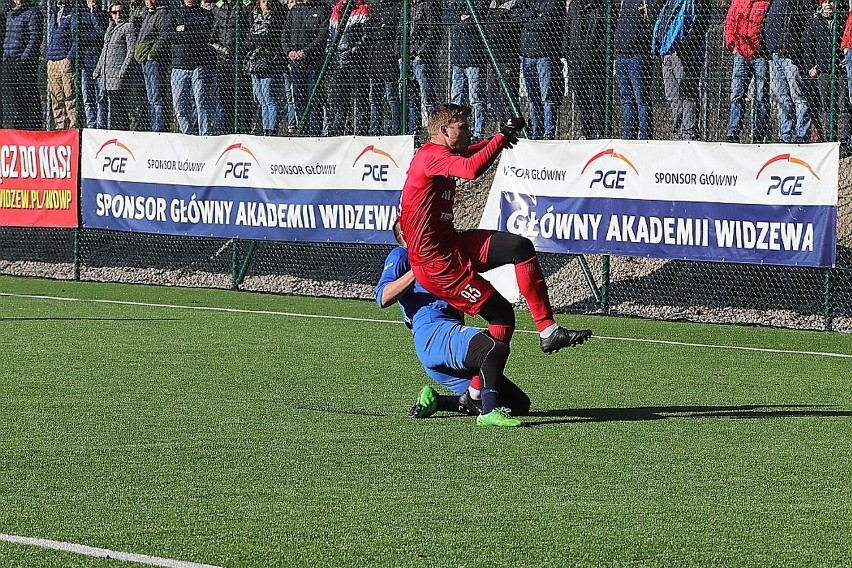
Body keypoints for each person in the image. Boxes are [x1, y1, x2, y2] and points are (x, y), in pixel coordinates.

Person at [397, 103, 592, 426]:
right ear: (444, 131)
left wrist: (499, 140)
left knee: (519, 247)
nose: (468, 130)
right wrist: (499, 138)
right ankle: (485, 408)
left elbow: (470, 153)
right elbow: (471, 169)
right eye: (461, 125)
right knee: (502, 318)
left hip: (452, 246)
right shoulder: (430, 156)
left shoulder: (435, 154)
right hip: (438, 265)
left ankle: (548, 329)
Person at [377, 223, 531, 426]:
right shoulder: (401, 255)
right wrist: (418, 268)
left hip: (446, 341)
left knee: (518, 404)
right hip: (432, 334)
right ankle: (489, 413)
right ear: (406, 233)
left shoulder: (440, 254)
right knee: (493, 347)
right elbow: (383, 297)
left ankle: (438, 401)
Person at [653, 0, 709, 140]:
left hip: (687, 54)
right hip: (667, 51)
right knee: (672, 96)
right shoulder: (669, 2)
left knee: (687, 94)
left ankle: (689, 132)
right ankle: (678, 131)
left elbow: (702, 21)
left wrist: (685, 47)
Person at [763, 0, 813, 143]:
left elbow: (807, 25)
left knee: (798, 96)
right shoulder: (772, 2)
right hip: (774, 55)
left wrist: (797, 49)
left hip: (791, 55)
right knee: (782, 97)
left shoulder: (798, 3)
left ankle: (801, 135)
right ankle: (785, 134)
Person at [166, 0, 217, 135]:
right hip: (178, 66)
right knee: (179, 105)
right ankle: (188, 134)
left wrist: (185, 29)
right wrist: (191, 32)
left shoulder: (206, 15)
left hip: (199, 66)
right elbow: (168, 36)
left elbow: (204, 36)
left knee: (201, 103)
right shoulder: (174, 13)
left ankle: (205, 135)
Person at [515, 0, 564, 139]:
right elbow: (515, 16)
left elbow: (546, 22)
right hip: (526, 54)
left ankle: (548, 133)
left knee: (547, 97)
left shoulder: (554, 3)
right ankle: (536, 132)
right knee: (533, 98)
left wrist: (527, 19)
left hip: (545, 54)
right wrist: (533, 15)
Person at [723, 0, 769, 143]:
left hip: (761, 54)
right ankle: (733, 132)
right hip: (741, 53)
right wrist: (732, 44)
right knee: (737, 94)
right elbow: (730, 21)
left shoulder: (766, 3)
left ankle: (759, 134)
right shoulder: (738, 2)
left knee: (761, 95)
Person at [804, 0, 850, 143]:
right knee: (826, 106)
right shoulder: (815, 22)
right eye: (825, 2)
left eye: (831, 2)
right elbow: (807, 45)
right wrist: (810, 66)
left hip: (841, 71)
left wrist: (846, 59)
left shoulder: (843, 20)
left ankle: (845, 138)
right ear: (821, 5)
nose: (828, 4)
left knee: (843, 105)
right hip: (823, 71)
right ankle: (829, 138)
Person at [283, 0, 329, 135]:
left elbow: (322, 36)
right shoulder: (295, 10)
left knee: (314, 100)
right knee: (298, 99)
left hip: (313, 64)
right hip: (296, 65)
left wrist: (305, 51)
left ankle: (315, 133)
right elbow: (285, 33)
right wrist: (289, 51)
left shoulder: (323, 9)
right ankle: (302, 131)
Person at [444, 0, 488, 140]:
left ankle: (478, 132)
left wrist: (461, 21)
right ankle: (458, 130)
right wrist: (460, 18)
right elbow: (445, 17)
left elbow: (476, 19)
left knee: (476, 99)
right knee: (456, 98)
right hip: (457, 60)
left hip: (473, 58)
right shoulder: (455, 3)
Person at [325, 0, 371, 135]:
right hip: (338, 62)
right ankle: (340, 129)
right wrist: (331, 53)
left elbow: (365, 36)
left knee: (360, 97)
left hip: (355, 62)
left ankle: (361, 129)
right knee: (339, 98)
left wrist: (352, 51)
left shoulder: (362, 10)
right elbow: (330, 36)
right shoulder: (335, 11)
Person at [563, 0, 606, 139]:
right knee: (582, 99)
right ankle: (587, 132)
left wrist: (595, 54)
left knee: (596, 99)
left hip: (594, 62)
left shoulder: (601, 7)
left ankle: (599, 131)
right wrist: (568, 53)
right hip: (575, 61)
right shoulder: (575, 6)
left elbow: (606, 35)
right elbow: (567, 30)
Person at [613, 0, 655, 140]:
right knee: (626, 99)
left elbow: (654, 25)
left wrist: (637, 38)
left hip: (638, 56)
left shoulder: (648, 2)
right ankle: (628, 135)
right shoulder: (624, 2)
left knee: (641, 99)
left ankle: (644, 136)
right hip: (621, 56)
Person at [95, 0, 139, 130]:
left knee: (117, 105)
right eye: (115, 12)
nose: (118, 14)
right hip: (106, 74)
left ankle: (121, 131)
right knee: (108, 104)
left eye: (120, 12)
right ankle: (112, 130)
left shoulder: (128, 27)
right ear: (111, 14)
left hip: (118, 73)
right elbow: (104, 50)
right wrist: (97, 69)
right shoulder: (110, 28)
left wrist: (122, 71)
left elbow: (131, 50)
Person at [245, 0, 284, 136]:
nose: (265, 3)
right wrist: (258, 39)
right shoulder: (254, 18)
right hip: (254, 61)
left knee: (269, 98)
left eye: (268, 1)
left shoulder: (276, 18)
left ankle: (271, 129)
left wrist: (257, 39)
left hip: (269, 62)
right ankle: (265, 129)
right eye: (263, 1)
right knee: (261, 98)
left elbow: (270, 39)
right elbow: (247, 39)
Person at [2, 0, 43, 129]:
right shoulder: (10, 14)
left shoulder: (32, 13)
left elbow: (35, 36)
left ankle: (33, 125)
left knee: (28, 93)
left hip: (23, 63)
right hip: (9, 60)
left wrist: (24, 57)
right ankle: (20, 125)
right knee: (15, 95)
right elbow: (6, 36)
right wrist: (5, 56)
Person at [136, 0, 171, 132]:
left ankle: (158, 128)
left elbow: (164, 35)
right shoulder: (148, 14)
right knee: (150, 97)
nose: (149, 2)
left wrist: (152, 53)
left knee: (156, 97)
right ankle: (153, 125)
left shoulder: (162, 13)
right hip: (144, 61)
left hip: (153, 61)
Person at [46, 0, 77, 129]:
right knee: (56, 96)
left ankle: (73, 126)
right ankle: (60, 126)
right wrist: (48, 58)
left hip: (64, 60)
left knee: (69, 95)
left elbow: (76, 38)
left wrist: (69, 58)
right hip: (52, 61)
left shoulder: (73, 12)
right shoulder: (54, 11)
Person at [80, 0, 109, 128]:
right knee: (87, 98)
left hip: (99, 62)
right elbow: (79, 36)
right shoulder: (80, 15)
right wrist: (92, 36)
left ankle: (100, 126)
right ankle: (91, 124)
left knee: (100, 98)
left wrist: (94, 15)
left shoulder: (103, 15)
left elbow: (101, 34)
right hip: (85, 63)